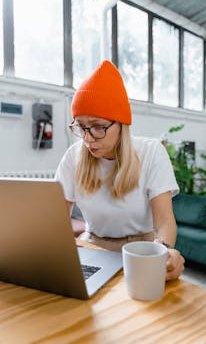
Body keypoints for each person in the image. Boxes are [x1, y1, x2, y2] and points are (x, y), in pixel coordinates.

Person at [55, 60, 185, 281]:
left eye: (98, 127)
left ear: (121, 124)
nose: (87, 138)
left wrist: (163, 252)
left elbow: (164, 222)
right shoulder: (73, 156)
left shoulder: (151, 153)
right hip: (91, 245)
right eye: (80, 126)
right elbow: (55, 218)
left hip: (141, 249)